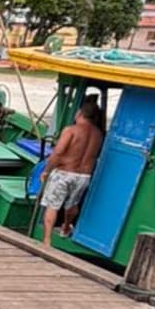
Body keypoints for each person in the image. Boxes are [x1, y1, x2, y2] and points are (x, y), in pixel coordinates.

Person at [39, 102, 104, 248]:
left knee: (52, 205)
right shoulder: (98, 134)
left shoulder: (71, 130)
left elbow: (58, 152)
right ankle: (66, 227)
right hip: (83, 176)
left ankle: (47, 241)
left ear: (79, 114)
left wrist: (47, 170)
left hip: (64, 172)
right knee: (72, 204)